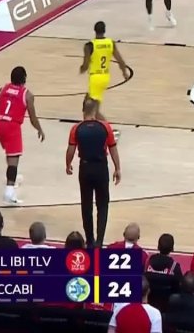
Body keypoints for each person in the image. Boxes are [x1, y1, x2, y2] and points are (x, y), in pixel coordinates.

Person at [0, 66, 46, 205]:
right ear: (24, 79)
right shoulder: (27, 95)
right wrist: (40, 129)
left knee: (10, 153)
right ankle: (9, 192)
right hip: (11, 127)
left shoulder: (2, 89)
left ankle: (13, 177)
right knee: (13, 160)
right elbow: (33, 118)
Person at [66, 98, 121, 249]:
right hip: (101, 168)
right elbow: (113, 148)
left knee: (86, 205)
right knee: (102, 205)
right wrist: (117, 168)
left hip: (85, 168)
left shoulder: (76, 128)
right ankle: (99, 242)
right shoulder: (105, 127)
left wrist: (68, 164)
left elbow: (71, 149)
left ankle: (90, 240)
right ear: (95, 111)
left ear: (83, 110)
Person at [79, 21, 129, 123]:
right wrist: (124, 73)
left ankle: (107, 129)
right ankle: (97, 127)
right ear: (104, 30)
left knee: (92, 112)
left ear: (94, 30)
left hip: (95, 78)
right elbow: (120, 61)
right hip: (105, 76)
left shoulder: (89, 45)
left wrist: (81, 69)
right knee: (86, 106)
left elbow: (85, 66)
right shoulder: (110, 43)